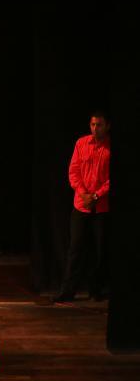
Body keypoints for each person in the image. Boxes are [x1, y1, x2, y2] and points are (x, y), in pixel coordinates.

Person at [54, 112, 110, 302]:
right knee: (75, 249)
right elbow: (74, 171)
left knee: (100, 251)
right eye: (93, 125)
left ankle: (97, 290)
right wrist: (84, 194)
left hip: (101, 206)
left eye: (99, 125)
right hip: (81, 205)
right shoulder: (81, 143)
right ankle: (67, 290)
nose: (96, 128)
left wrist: (96, 195)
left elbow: (111, 179)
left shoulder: (111, 147)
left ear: (107, 126)